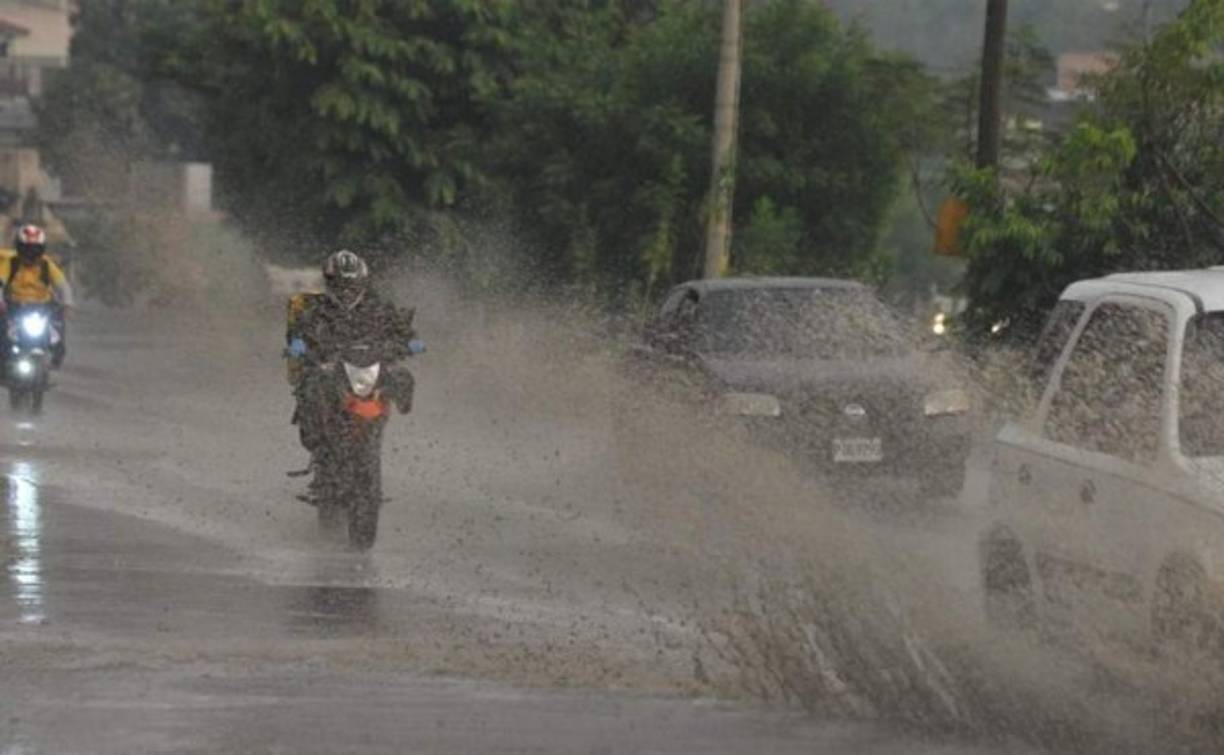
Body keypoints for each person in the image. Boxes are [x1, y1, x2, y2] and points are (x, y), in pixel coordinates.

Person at [287, 250, 420, 496]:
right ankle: (320, 450)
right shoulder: (316, 309)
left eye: (352, 284)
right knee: (310, 385)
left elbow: (400, 329)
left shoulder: (377, 306)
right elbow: (299, 331)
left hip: (367, 371)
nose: (346, 289)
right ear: (330, 283)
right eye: (340, 284)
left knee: (401, 377)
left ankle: (377, 432)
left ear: (362, 282)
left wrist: (411, 341)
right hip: (330, 370)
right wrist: (298, 344)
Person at [0, 224, 74, 367]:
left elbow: (62, 285)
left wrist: (67, 304)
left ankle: (57, 355)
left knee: (59, 323)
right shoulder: (11, 263)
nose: (31, 254)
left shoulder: (47, 264)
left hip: (42, 308)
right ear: (19, 248)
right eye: (27, 249)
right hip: (15, 307)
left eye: (35, 250)